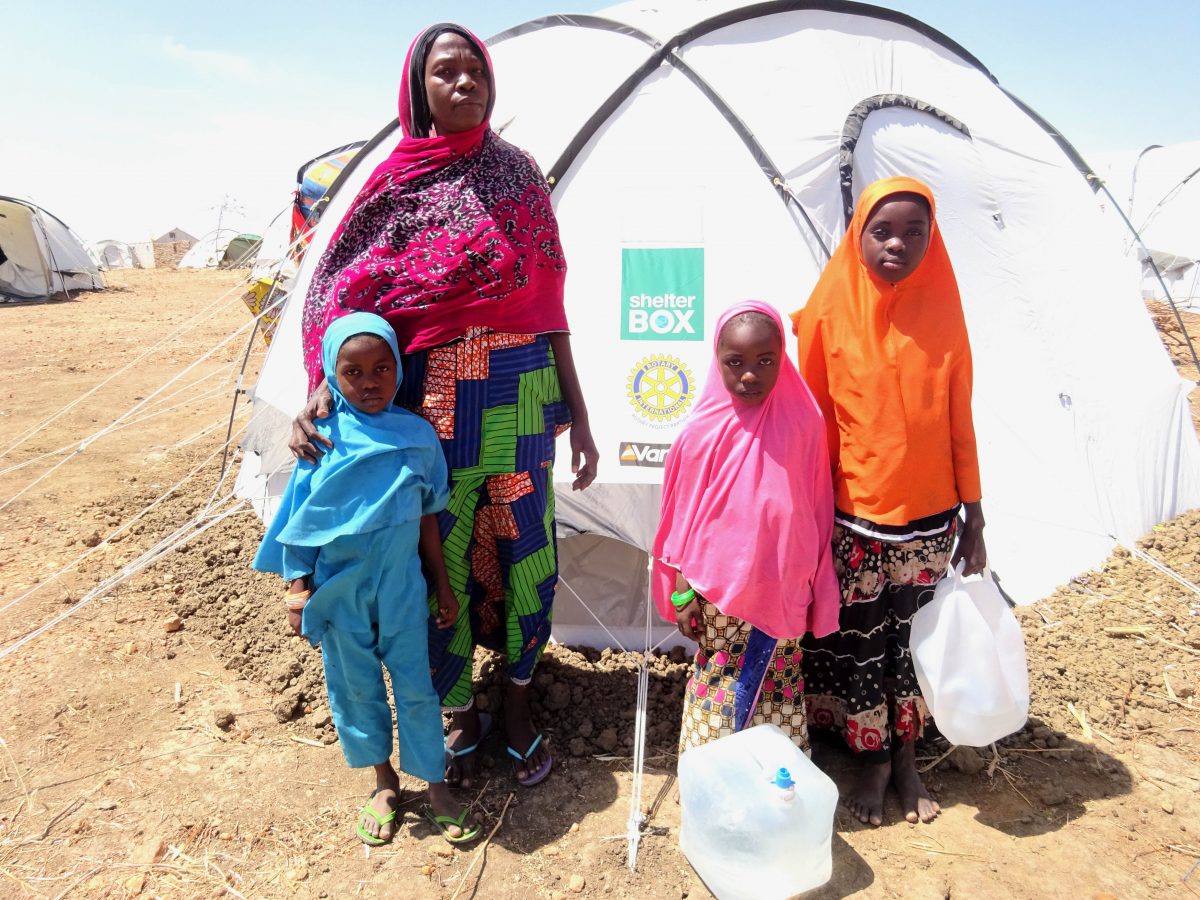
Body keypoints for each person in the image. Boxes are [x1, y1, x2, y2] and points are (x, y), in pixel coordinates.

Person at [289, 23, 598, 791]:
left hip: (524, 399)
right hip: (437, 414)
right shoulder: (394, 183)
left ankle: (519, 708)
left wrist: (581, 412)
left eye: (475, 71)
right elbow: (343, 293)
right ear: (417, 91)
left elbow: (550, 302)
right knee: (444, 566)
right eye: (446, 73)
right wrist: (319, 386)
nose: (465, 84)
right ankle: (458, 714)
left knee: (531, 560)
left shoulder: (520, 176)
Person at [792, 176, 988, 826]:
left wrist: (976, 515)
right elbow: (814, 418)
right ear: (859, 235)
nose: (898, 243)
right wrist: (810, 513)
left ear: (933, 237)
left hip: (931, 523)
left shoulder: (947, 310)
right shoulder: (828, 312)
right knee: (865, 642)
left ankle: (907, 759)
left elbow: (960, 418)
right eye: (883, 231)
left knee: (915, 642)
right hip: (857, 519)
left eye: (914, 231)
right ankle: (871, 761)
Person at [254, 312, 480, 847]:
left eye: (382, 368)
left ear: (399, 369)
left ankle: (437, 787)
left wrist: (442, 585)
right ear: (332, 375)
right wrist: (296, 589)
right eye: (352, 372)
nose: (369, 381)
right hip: (339, 592)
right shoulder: (318, 438)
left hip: (402, 588)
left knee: (418, 690)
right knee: (355, 690)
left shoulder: (417, 435)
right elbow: (299, 520)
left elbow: (428, 517)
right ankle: (383, 783)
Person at [652, 300, 841, 755]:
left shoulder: (804, 422)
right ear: (717, 363)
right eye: (735, 362)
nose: (750, 374)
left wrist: (814, 577)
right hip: (716, 593)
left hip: (784, 586)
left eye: (765, 361)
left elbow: (817, 507)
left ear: (782, 359)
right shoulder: (702, 431)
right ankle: (711, 780)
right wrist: (682, 591)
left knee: (779, 680)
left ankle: (777, 787)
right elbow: (681, 519)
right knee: (719, 675)